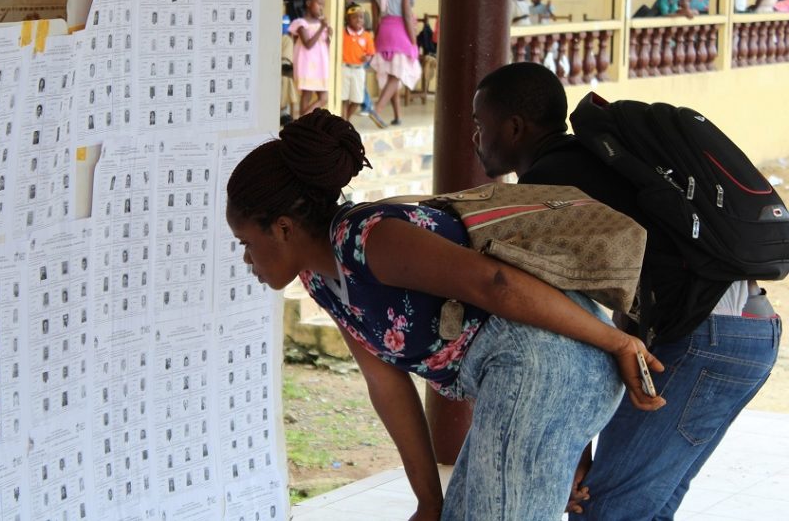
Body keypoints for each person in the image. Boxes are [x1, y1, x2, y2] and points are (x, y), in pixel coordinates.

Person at [226, 109, 663, 521]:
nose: (246, 258)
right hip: (526, 372)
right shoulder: (320, 278)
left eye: (245, 241)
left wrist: (620, 342)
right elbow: (386, 385)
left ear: (283, 228)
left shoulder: (367, 238)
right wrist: (429, 502)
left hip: (545, 364)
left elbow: (497, 285)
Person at [471, 62, 781, 521]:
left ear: (514, 127)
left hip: (703, 339)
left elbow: (555, 317)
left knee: (605, 511)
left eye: (480, 125)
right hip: (741, 332)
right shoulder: (596, 160)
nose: (475, 139)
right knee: (641, 510)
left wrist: (572, 449)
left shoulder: (550, 187)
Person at [369, 0, 421, 128]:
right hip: (399, 31)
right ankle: (377, 109)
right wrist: (413, 41)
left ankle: (398, 116)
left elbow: (376, 19)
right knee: (396, 75)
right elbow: (406, 15)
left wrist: (376, 39)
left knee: (393, 73)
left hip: (383, 31)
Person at [288, 0, 331, 117]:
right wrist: (321, 28)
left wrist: (329, 35)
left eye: (323, 5)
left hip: (320, 64)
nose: (321, 8)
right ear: (308, 3)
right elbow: (308, 44)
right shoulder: (301, 23)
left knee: (323, 97)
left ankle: (301, 121)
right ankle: (301, 123)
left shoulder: (320, 23)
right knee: (306, 94)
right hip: (306, 63)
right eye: (319, 4)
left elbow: (323, 44)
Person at [341, 5, 374, 121]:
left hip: (359, 70)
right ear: (348, 19)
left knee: (357, 100)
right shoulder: (342, 34)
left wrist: (368, 58)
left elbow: (370, 53)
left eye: (361, 17)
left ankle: (345, 120)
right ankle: (343, 123)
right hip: (344, 68)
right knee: (343, 98)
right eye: (355, 17)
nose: (359, 20)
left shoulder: (367, 36)